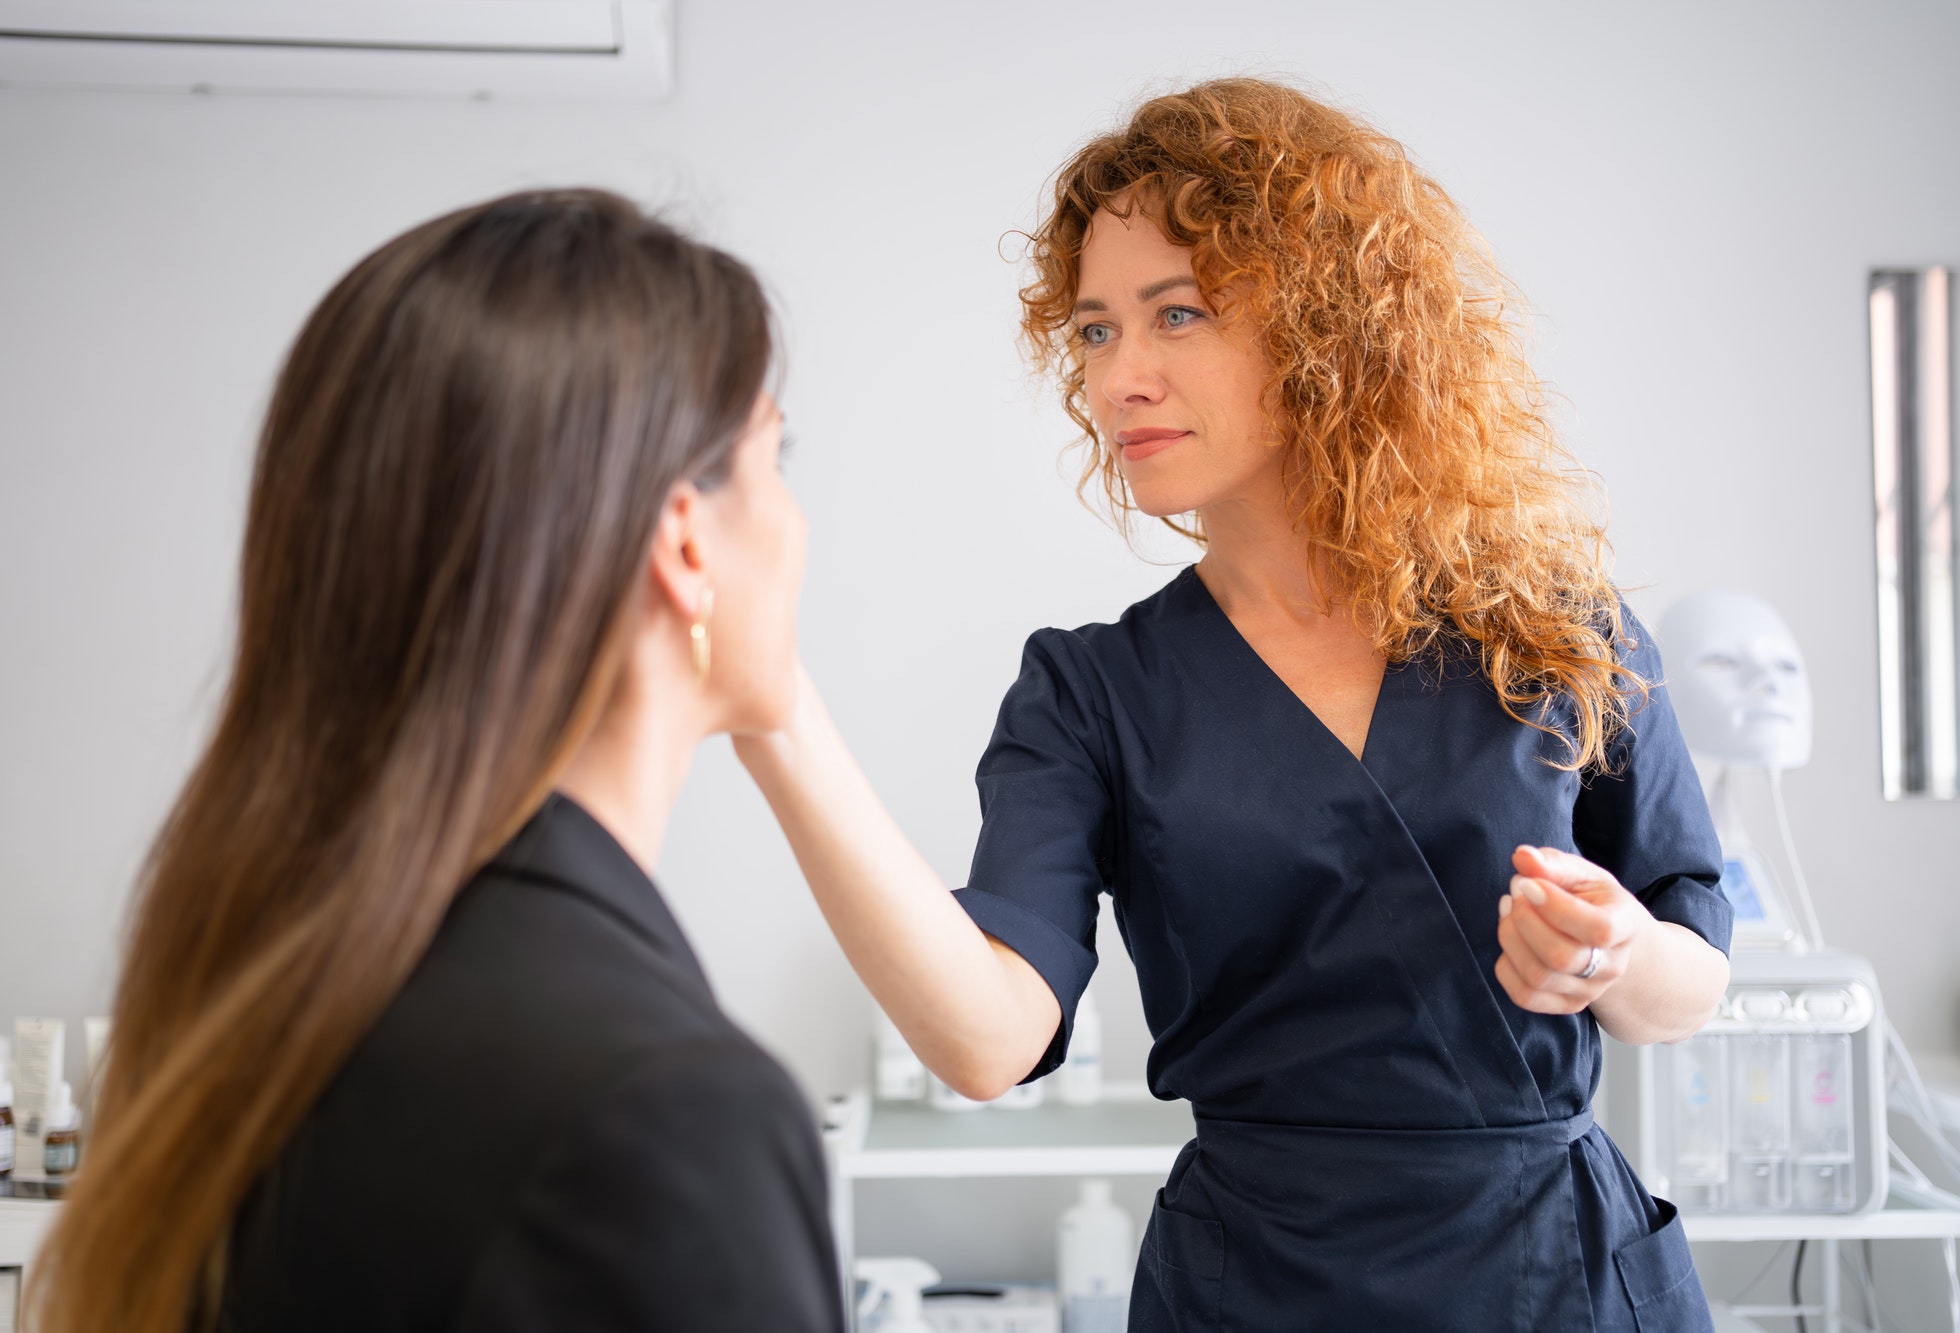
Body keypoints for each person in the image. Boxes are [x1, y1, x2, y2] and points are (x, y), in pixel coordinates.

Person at [738, 80, 1731, 1331]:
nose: (1119, 378)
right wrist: (772, 718)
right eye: (1095, 332)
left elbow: (1693, 978)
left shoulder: (1550, 634)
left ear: (1330, 328)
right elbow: (987, 1039)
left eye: (1177, 314)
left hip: (1552, 1274)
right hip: (1260, 1282)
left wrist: (1614, 955)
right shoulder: (1093, 693)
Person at [28, 190, 840, 1333]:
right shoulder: (661, 1109)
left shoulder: (252, 985)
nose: (797, 519)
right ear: (685, 538)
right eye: (775, 455)